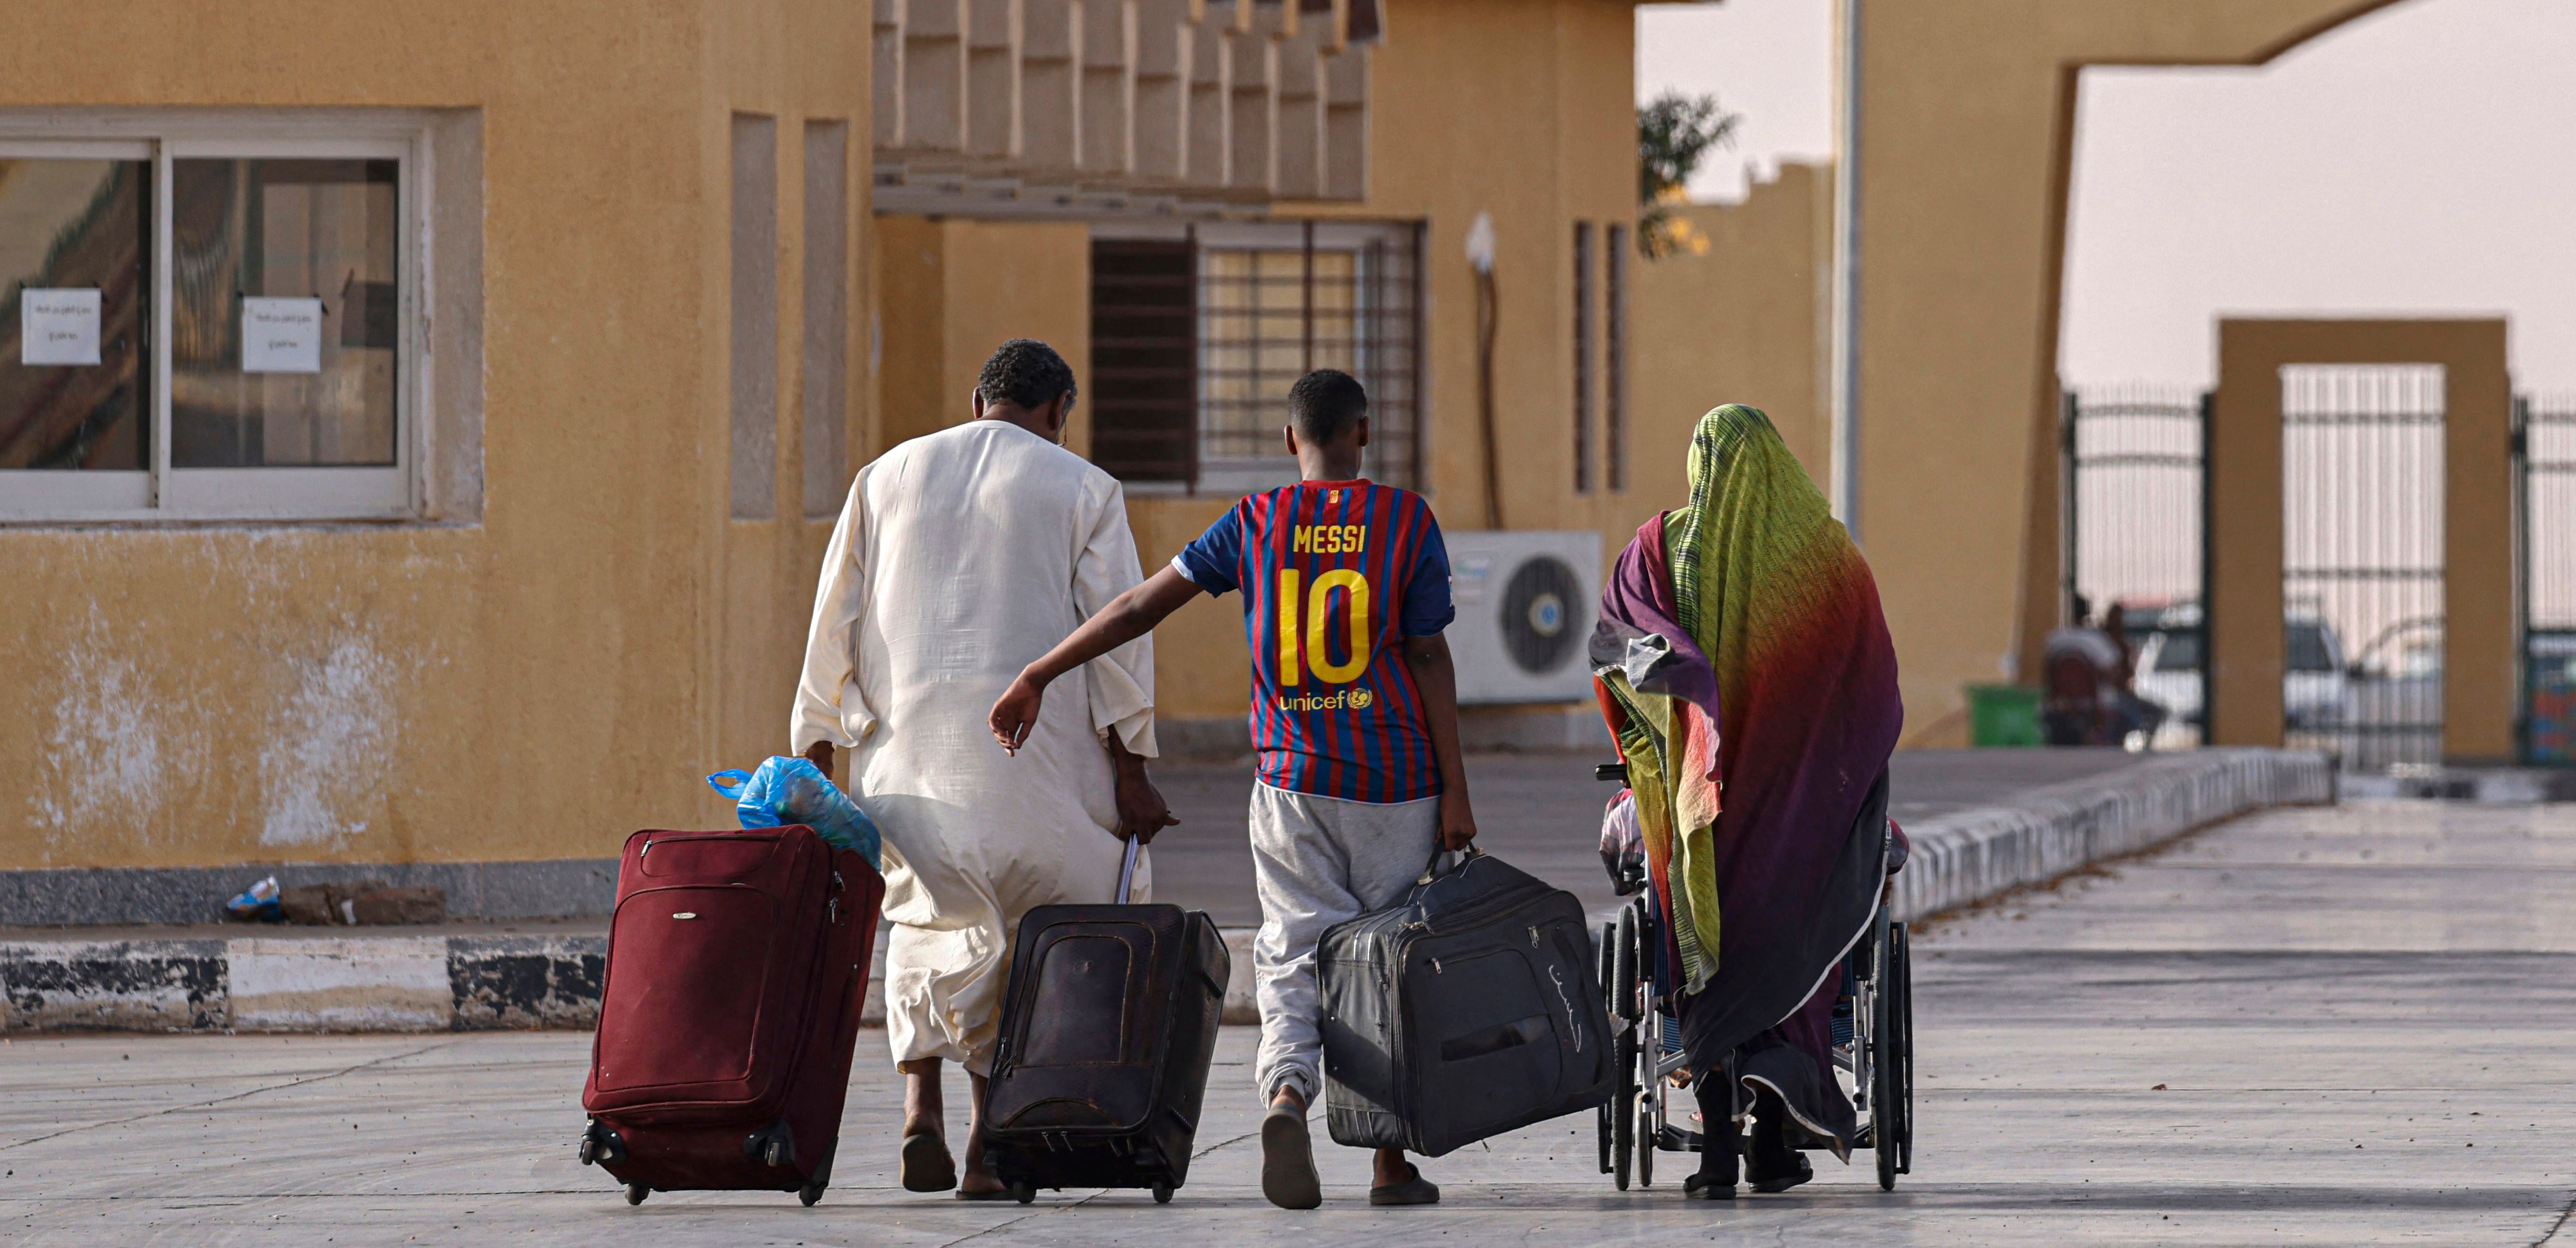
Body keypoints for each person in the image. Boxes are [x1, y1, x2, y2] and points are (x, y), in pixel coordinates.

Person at [987, 367, 1473, 1213]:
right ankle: (1390, 1165)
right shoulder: (1406, 520)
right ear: (1363, 432)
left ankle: (1287, 1094)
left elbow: (1139, 608)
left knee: (1292, 950)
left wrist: (1040, 669)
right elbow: (1429, 656)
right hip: (1399, 784)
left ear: (1291, 441)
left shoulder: (1255, 522)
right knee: (1390, 964)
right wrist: (1457, 795)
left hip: (1292, 779)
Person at [792, 338, 1173, 1200]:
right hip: (1039, 762)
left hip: (907, 761)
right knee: (1034, 935)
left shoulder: (884, 477)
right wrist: (1134, 768)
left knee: (927, 919)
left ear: (976, 402)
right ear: (1057, 415)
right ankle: (986, 1145)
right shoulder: (1084, 487)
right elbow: (1120, 641)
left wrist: (817, 744)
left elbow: (831, 620)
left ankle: (919, 1105)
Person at [1593, 403, 1902, 1201]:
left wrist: (1687, 731)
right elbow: (1869, 695)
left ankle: (1721, 1149)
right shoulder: (1827, 563)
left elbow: (1617, 653)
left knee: (1692, 923)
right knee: (1822, 880)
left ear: (1700, 468)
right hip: (1804, 819)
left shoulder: (1657, 555)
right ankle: (1774, 1133)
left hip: (1697, 818)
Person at [2041, 595, 2127, 747]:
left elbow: (2047, 672)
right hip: (2095, 705)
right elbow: (2113, 675)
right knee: (2130, 714)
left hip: (2060, 703)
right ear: (2088, 614)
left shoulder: (2053, 639)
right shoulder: (2097, 640)